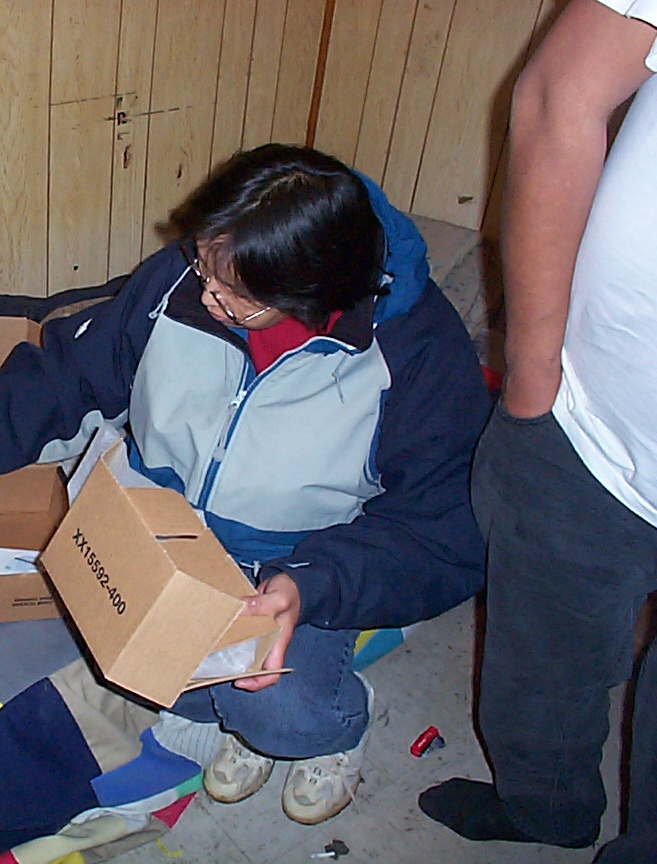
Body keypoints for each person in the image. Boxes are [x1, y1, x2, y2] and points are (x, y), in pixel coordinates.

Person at [0, 143, 491, 825]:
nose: (204, 293)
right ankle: (233, 719)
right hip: (169, 530)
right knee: (126, 652)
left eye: (235, 294)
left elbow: (447, 536)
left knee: (277, 708)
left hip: (300, 563)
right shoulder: (190, 277)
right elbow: (62, 377)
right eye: (203, 263)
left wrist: (308, 584)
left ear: (309, 300)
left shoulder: (418, 357)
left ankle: (337, 727)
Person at [417, 1, 657, 859]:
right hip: (592, 417)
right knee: (536, 664)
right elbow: (562, 91)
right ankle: (544, 808)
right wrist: (529, 368)